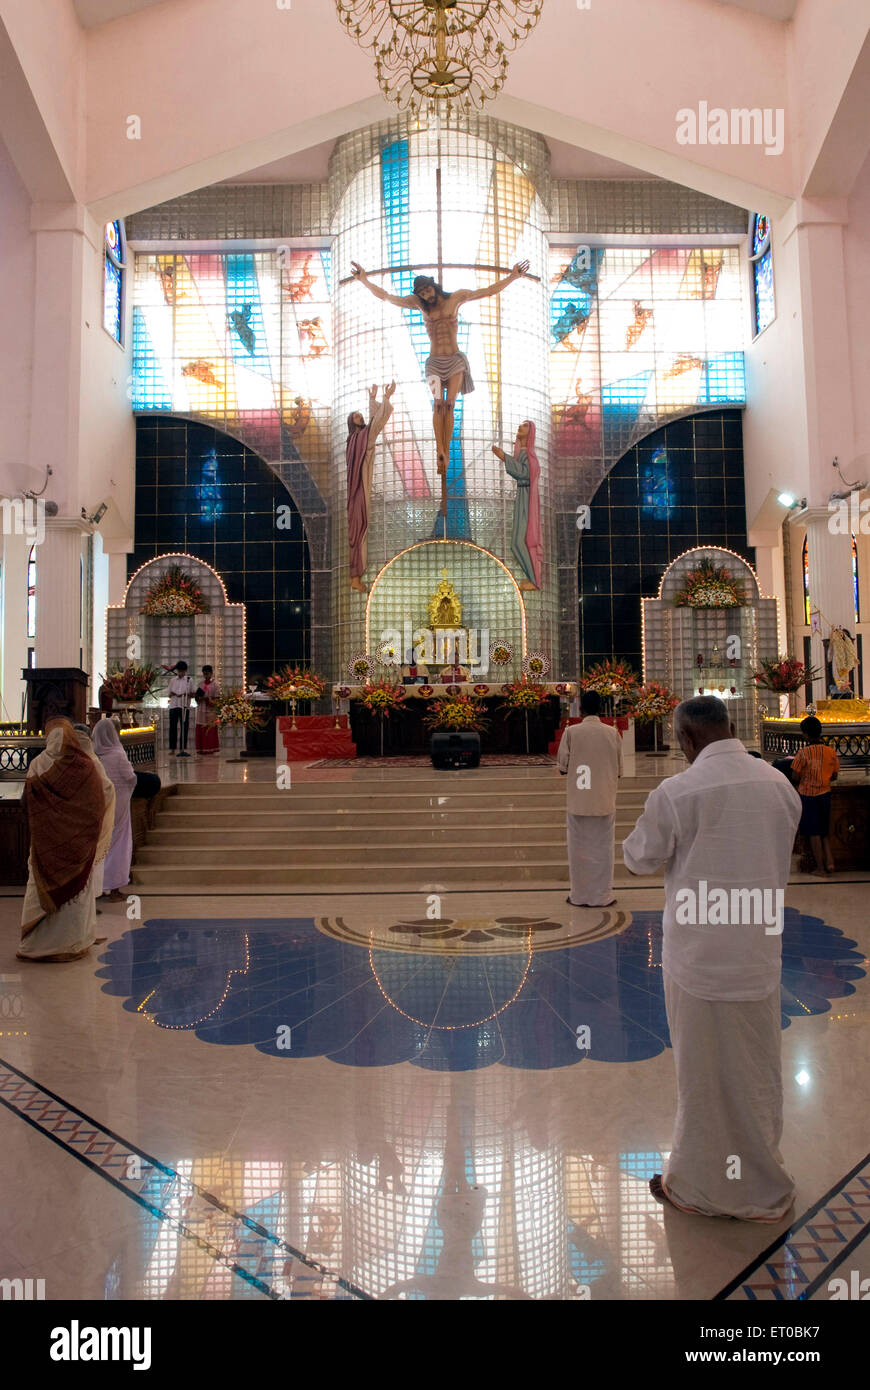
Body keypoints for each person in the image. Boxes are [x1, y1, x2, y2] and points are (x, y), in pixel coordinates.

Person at [622, 695, 802, 1221]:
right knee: (757, 1069)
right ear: (729, 727)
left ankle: (701, 1188)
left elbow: (639, 858)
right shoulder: (779, 785)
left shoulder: (677, 792)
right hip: (758, 952)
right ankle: (764, 1186)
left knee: (702, 1075)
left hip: (699, 958)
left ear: (686, 739)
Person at [351, 259, 529, 507]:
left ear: (434, 287)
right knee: (437, 405)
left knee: (449, 405)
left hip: (455, 361)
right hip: (434, 362)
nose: (426, 295)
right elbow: (387, 297)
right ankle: (441, 450)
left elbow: (486, 291)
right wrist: (364, 279)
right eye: (421, 293)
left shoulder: (455, 298)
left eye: (427, 290)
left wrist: (513, 276)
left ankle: (445, 447)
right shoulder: (418, 305)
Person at [18, 718, 115, 962]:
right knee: (75, 898)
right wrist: (85, 828)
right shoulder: (85, 766)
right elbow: (99, 800)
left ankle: (36, 946)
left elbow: (26, 802)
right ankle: (72, 943)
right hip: (78, 845)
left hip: (44, 845)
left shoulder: (38, 764)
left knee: (39, 891)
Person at [557, 689, 623, 907]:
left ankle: (579, 895)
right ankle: (603, 895)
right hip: (604, 798)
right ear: (602, 708)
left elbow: (562, 766)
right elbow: (620, 769)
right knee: (604, 850)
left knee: (578, 850)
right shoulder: (612, 733)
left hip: (579, 799)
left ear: (581, 709)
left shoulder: (572, 732)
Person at [346, 383, 396, 591]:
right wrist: (381, 399)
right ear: (352, 423)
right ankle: (355, 576)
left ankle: (356, 575)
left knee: (360, 526)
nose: (360, 418)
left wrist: (380, 399)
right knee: (357, 527)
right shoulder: (354, 440)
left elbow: (375, 424)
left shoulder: (361, 437)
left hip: (360, 486)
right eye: (356, 417)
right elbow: (375, 424)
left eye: (360, 415)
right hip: (354, 489)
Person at [492, 420, 543, 590]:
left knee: (522, 541)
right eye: (520, 425)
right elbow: (519, 472)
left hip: (528, 499)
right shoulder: (522, 454)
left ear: (531, 433)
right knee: (515, 543)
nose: (520, 427)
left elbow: (525, 472)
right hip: (522, 496)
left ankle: (535, 580)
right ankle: (532, 577)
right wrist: (506, 458)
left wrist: (503, 457)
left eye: (525, 426)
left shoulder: (530, 456)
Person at [92, 718, 138, 901]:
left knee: (102, 844)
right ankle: (115, 887)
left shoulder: (95, 755)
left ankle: (99, 886)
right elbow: (130, 777)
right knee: (119, 844)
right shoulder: (117, 753)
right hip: (119, 803)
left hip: (100, 803)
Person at [790, 715, 840, 875]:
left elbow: (795, 776)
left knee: (813, 833)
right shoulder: (830, 752)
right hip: (825, 794)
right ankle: (830, 862)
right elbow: (834, 776)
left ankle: (820, 867)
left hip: (808, 796)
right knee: (824, 831)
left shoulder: (803, 753)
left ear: (805, 734)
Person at [168, 661, 194, 758]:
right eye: (179, 671)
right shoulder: (173, 680)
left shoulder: (189, 680)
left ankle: (182, 748)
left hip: (184, 706)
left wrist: (185, 694)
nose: (180, 673)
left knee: (184, 727)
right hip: (174, 705)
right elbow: (169, 693)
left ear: (185, 671)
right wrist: (174, 694)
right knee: (173, 728)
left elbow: (192, 693)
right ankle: (172, 748)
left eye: (182, 671)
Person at [194, 665, 221, 755]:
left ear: (211, 673)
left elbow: (217, 699)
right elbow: (197, 697)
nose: (206, 675)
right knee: (201, 728)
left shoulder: (215, 684)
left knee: (210, 729)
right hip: (201, 709)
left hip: (211, 710)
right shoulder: (200, 684)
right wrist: (197, 697)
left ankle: (211, 748)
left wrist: (207, 698)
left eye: (207, 673)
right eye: (204, 673)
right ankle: (201, 749)